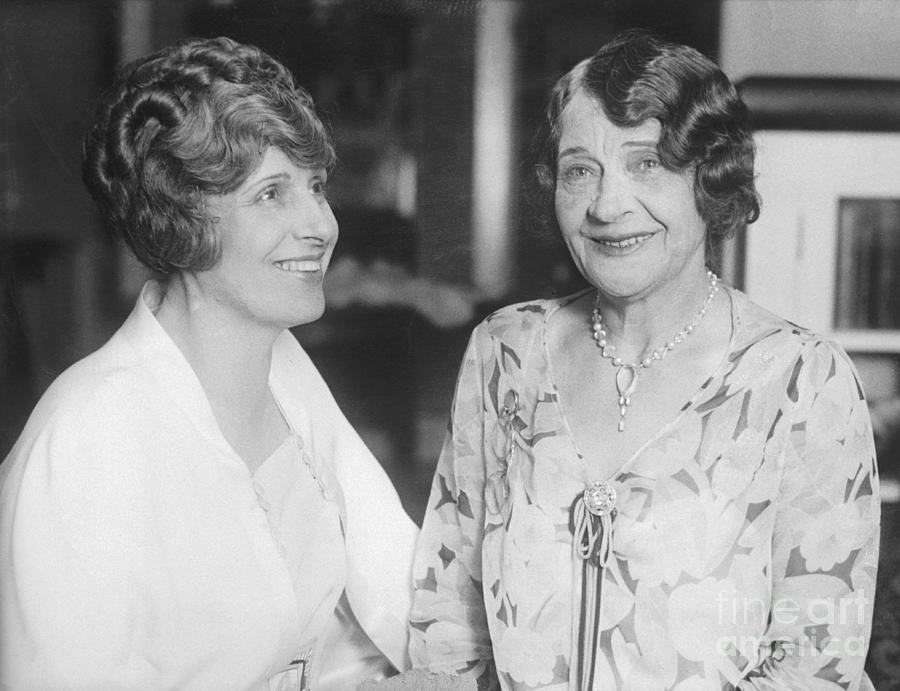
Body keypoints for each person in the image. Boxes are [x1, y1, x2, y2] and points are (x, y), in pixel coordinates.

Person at [409, 30, 880, 690]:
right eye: (581, 169)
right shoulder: (506, 352)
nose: (607, 205)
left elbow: (815, 661)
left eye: (646, 164)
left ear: (709, 178)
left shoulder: (801, 379)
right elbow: (447, 625)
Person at [0, 36, 418, 690]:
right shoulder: (83, 441)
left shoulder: (285, 369)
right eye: (273, 194)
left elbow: (399, 582)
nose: (321, 225)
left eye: (316, 186)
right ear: (181, 216)